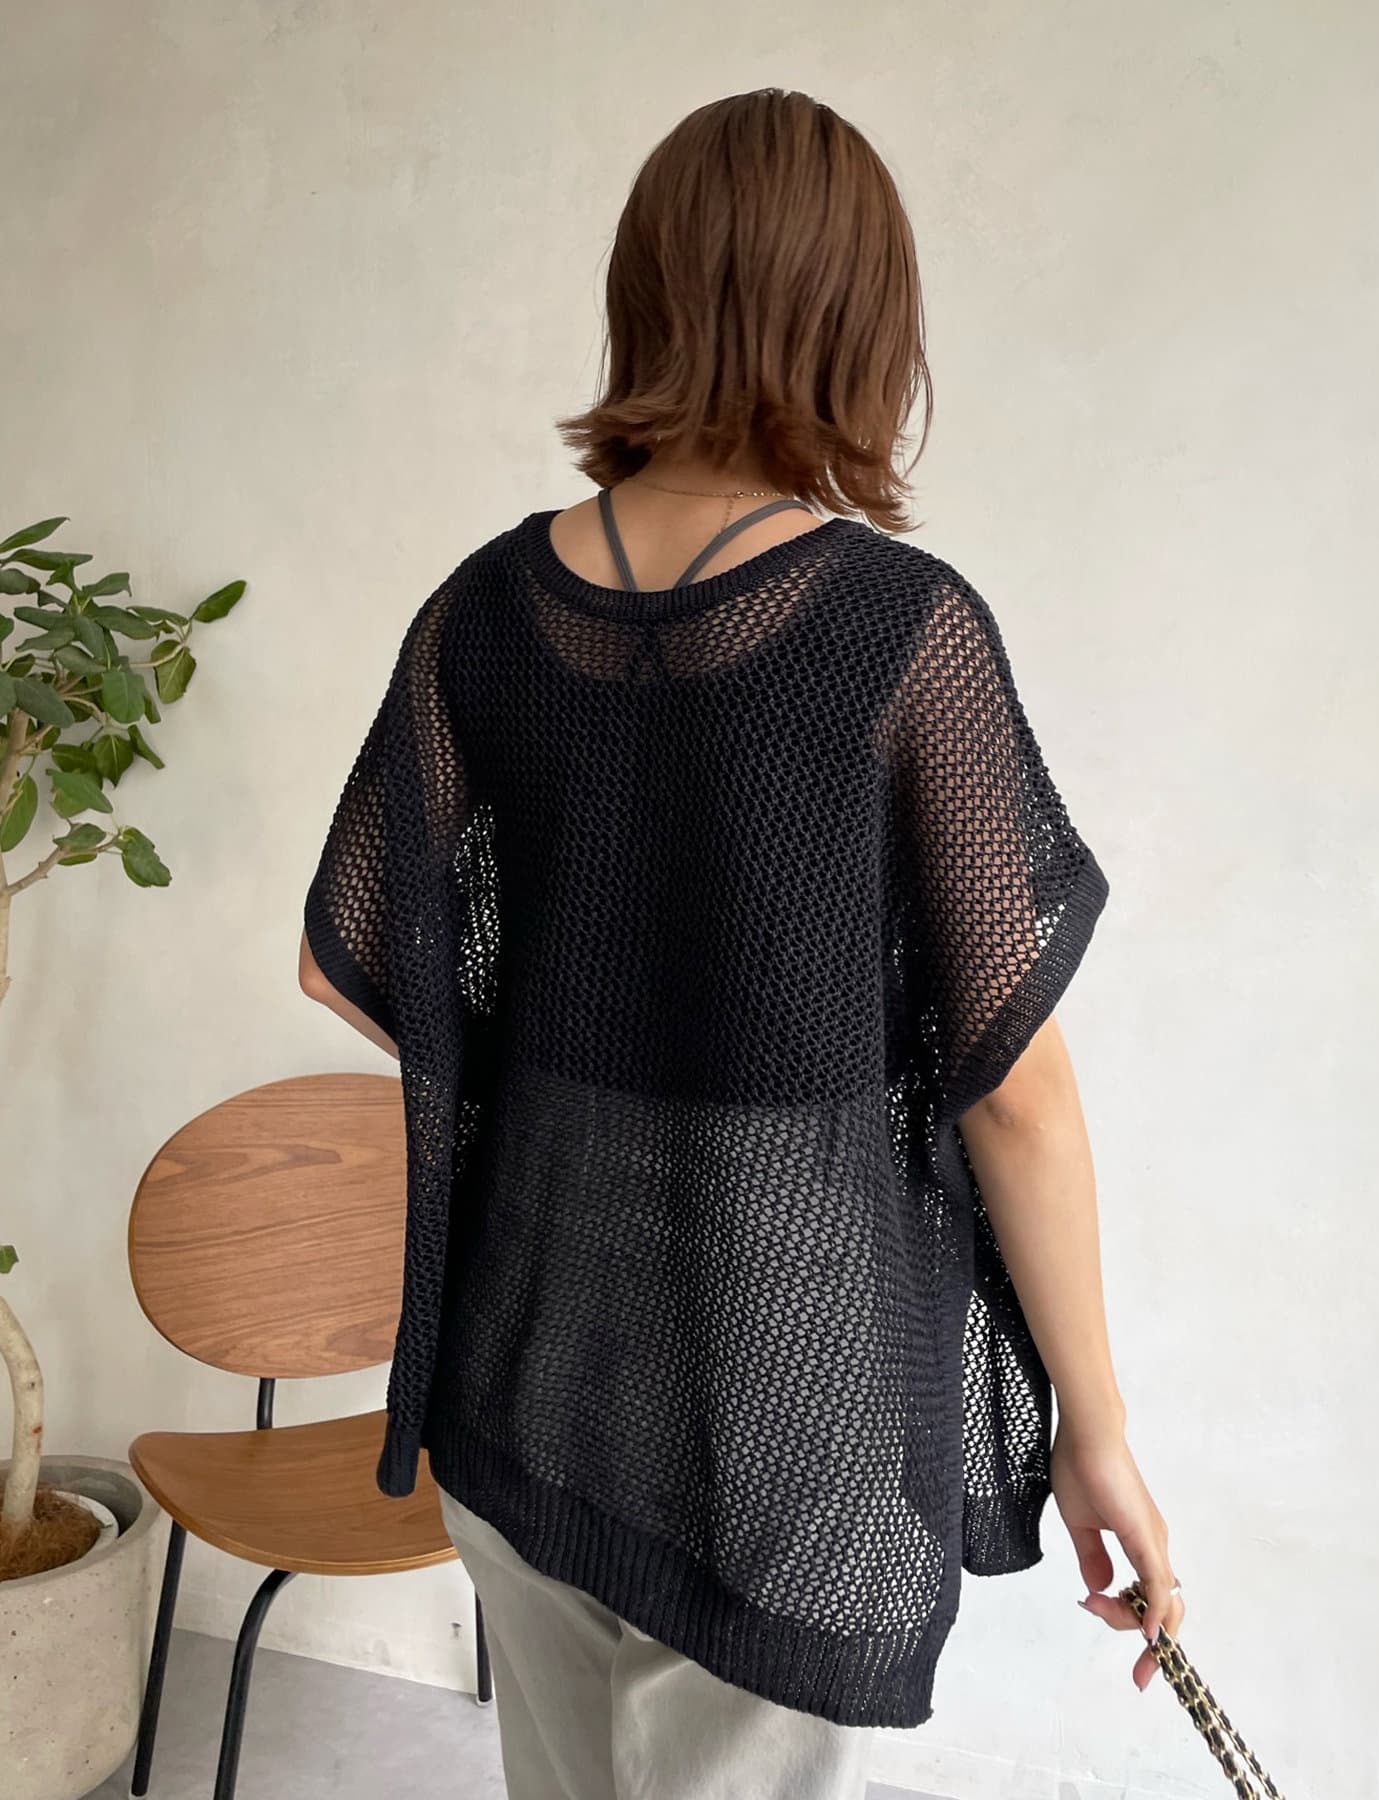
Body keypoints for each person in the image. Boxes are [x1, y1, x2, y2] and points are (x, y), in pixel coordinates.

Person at [298, 86, 1182, 1800]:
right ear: (859, 323)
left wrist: (553, 1060)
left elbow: (350, 954)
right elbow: (1014, 1092)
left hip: (524, 1377)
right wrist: (1095, 1431)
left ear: (646, 294)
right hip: (782, 1438)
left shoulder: (483, 611)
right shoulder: (902, 634)